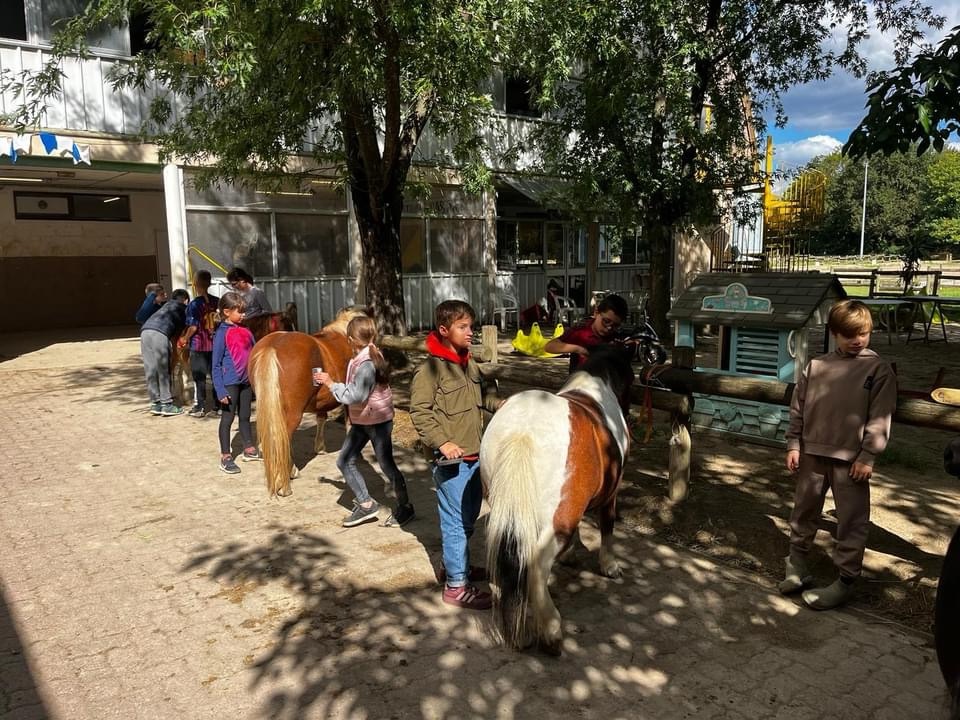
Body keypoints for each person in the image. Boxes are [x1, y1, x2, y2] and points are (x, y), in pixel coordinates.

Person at [780, 299, 898, 610]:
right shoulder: (816, 366)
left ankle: (846, 578)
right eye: (849, 334)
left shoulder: (878, 369)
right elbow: (798, 407)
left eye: (864, 333)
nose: (857, 340)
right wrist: (794, 443)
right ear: (834, 333)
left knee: (851, 520)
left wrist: (868, 455)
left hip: (852, 461)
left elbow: (880, 416)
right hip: (812, 453)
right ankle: (796, 564)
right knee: (804, 509)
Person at [410, 300, 501, 610]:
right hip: (454, 462)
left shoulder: (468, 363)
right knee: (455, 525)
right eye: (464, 327)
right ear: (444, 330)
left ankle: (454, 565)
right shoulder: (430, 369)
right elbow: (420, 412)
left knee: (468, 519)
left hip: (477, 457)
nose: (470, 332)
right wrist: (442, 442)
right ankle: (456, 587)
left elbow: (482, 397)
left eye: (471, 326)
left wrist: (500, 405)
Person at [313, 315, 415, 528]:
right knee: (344, 460)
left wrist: (331, 383)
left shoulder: (367, 363)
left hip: (376, 421)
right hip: (363, 419)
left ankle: (405, 507)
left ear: (350, 339)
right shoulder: (365, 355)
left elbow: (356, 396)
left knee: (387, 465)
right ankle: (367, 504)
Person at [212, 292, 260, 474]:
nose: (243, 315)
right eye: (240, 312)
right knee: (227, 419)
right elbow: (215, 365)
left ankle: (249, 448)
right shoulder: (221, 334)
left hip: (246, 381)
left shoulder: (246, 331)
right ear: (226, 311)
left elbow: (255, 354)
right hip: (229, 382)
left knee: (246, 416)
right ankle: (225, 455)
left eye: (244, 311)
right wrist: (220, 390)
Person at [543, 292, 629, 373]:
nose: (609, 328)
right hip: (579, 382)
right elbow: (549, 346)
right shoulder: (580, 332)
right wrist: (578, 349)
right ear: (596, 313)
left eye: (615, 325)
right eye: (606, 321)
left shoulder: (616, 337)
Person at [140, 288, 190, 416]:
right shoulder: (183, 309)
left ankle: (155, 403)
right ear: (186, 300)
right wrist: (174, 357)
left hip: (145, 331)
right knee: (163, 369)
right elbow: (177, 337)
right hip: (160, 333)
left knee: (150, 369)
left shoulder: (166, 305)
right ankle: (167, 404)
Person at [179, 270, 220, 417]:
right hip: (215, 344)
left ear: (195, 284)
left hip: (199, 344)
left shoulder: (194, 304)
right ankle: (218, 406)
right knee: (216, 376)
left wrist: (185, 338)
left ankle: (200, 406)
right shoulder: (217, 301)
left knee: (199, 377)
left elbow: (193, 326)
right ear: (209, 283)